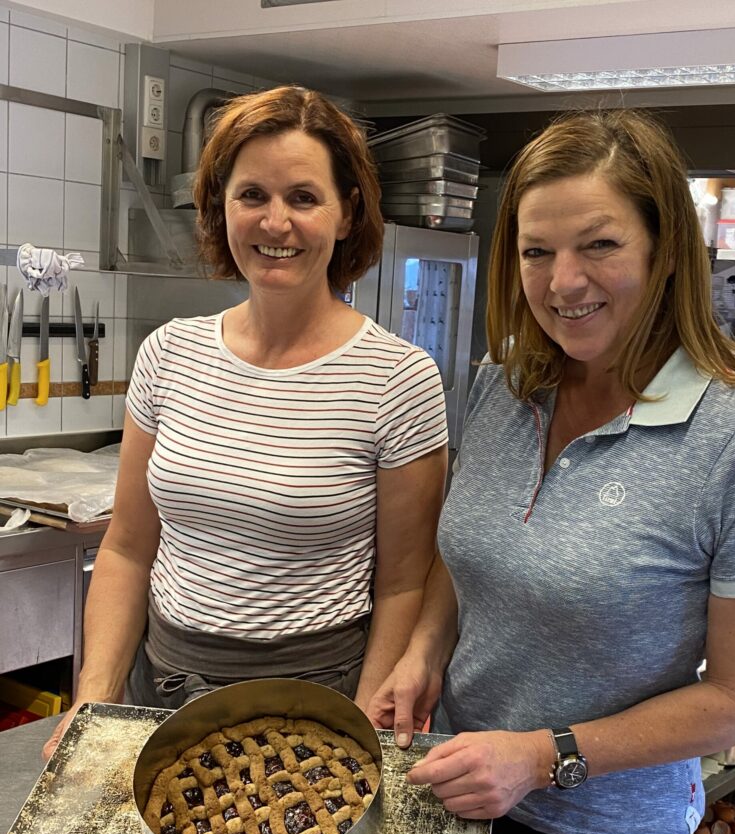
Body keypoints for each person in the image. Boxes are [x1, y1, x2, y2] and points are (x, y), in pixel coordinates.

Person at [364, 108, 735, 834]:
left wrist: (541, 759)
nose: (564, 282)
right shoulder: (502, 386)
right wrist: (423, 654)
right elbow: (462, 561)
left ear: (668, 249)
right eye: (537, 252)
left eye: (598, 245)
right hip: (463, 801)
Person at [43, 85, 447, 759]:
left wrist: (361, 732)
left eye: (303, 197)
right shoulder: (169, 353)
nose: (275, 222)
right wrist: (95, 697)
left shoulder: (396, 379)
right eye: (252, 195)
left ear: (347, 213)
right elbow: (127, 548)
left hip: (318, 699)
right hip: (164, 689)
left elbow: (404, 582)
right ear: (220, 206)